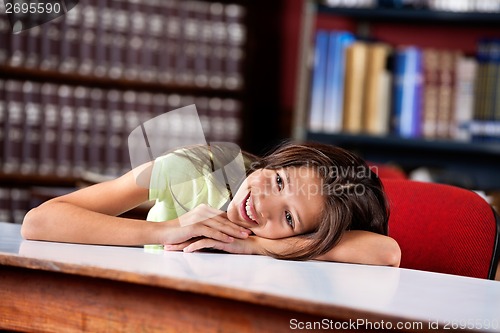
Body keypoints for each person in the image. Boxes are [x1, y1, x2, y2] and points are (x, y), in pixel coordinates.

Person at [21, 141, 401, 266]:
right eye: (279, 180)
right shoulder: (191, 168)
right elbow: (40, 222)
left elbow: (386, 252)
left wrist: (254, 246)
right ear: (275, 162)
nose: (263, 204)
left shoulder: (271, 244)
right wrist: (168, 229)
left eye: (288, 216)